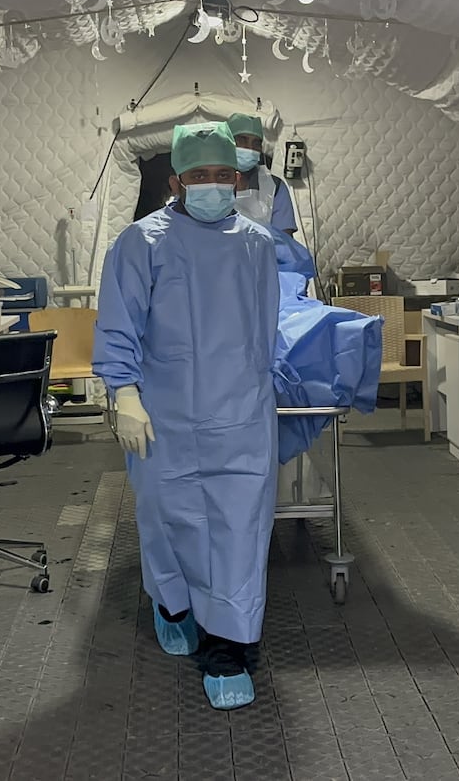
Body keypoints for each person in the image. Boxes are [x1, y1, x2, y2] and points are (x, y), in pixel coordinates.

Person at [92, 121, 280, 711]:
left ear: (238, 179)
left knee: (238, 530)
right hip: (163, 416)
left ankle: (227, 645)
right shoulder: (140, 243)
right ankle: (172, 602)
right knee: (172, 520)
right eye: (199, 175)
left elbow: (265, 328)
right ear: (175, 180)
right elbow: (118, 325)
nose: (212, 185)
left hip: (241, 415)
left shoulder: (257, 243)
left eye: (224, 175)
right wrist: (123, 394)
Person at [226, 112, 299, 236]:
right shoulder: (205, 185)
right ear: (225, 143)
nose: (249, 148)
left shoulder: (274, 186)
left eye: (256, 143)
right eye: (241, 140)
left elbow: (285, 242)